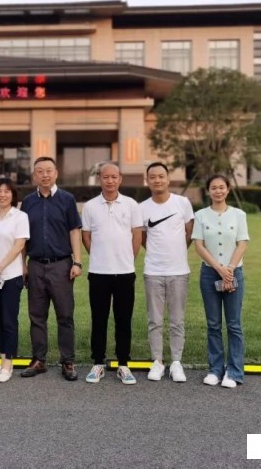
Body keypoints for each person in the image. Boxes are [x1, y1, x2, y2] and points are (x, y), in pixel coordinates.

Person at [20, 156, 83, 381]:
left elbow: (74, 231)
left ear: (56, 173)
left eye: (49, 170)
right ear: (34, 175)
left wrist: (77, 262)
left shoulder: (67, 199)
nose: (45, 175)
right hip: (36, 265)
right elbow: (22, 237)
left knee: (65, 315)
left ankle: (68, 361)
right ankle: (39, 360)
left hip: (61, 265)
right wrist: (23, 265)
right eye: (40, 171)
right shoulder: (28, 202)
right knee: (37, 316)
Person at [81, 162, 144, 385]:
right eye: (105, 177)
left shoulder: (131, 204)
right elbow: (86, 237)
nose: (110, 180)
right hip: (99, 272)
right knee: (99, 319)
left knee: (123, 319)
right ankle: (98, 362)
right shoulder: (90, 206)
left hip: (125, 272)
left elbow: (137, 236)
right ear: (100, 179)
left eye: (114, 177)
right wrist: (100, 256)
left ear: (120, 179)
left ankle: (123, 364)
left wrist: (127, 258)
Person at [192, 174, 250, 389]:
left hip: (234, 272)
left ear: (228, 190)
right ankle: (215, 370)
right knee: (213, 324)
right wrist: (219, 269)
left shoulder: (239, 215)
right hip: (209, 273)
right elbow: (199, 245)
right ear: (208, 191)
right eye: (214, 187)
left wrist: (230, 270)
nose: (218, 191)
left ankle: (234, 372)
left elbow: (242, 243)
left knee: (234, 325)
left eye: (222, 187)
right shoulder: (200, 215)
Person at [139, 162, 194, 383]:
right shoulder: (142, 208)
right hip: (153, 271)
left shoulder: (182, 203)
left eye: (161, 176)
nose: (157, 180)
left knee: (177, 320)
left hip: (179, 271)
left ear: (168, 178)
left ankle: (176, 363)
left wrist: (177, 252)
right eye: (152, 177)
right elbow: (142, 237)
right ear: (147, 180)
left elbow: (189, 232)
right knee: (154, 320)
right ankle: (158, 362)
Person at [0, 178, 30, 383]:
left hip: (10, 276)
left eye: (6, 191)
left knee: (9, 321)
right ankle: (2, 361)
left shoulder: (20, 217)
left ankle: (8, 364)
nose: (2, 195)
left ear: (13, 194)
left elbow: (19, 246)